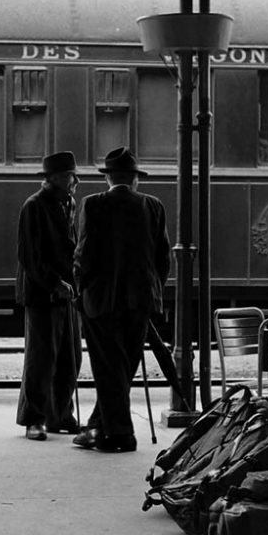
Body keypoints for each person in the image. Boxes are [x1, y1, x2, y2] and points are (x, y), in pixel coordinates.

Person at [72, 147, 171, 453]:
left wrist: (79, 289)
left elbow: (84, 253)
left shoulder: (92, 204)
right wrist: (153, 288)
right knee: (123, 365)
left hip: (101, 300)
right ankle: (98, 422)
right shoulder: (153, 206)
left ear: (109, 178)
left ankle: (119, 434)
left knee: (108, 366)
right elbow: (163, 257)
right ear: (134, 179)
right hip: (141, 300)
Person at [15, 150, 82, 440]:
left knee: (70, 355)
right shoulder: (35, 206)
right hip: (43, 291)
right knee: (41, 357)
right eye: (69, 175)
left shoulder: (68, 203)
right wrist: (54, 282)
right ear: (54, 178)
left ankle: (60, 412)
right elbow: (30, 255)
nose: (74, 180)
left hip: (66, 290)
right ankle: (35, 418)